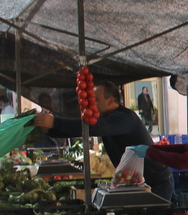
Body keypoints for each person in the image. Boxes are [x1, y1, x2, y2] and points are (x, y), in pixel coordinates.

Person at [33, 81, 174, 202]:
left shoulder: (124, 117)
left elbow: (96, 128)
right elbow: (83, 130)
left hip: (157, 182)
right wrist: (50, 129)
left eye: (96, 100)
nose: (92, 104)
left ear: (111, 101)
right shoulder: (108, 118)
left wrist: (55, 122)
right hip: (136, 183)